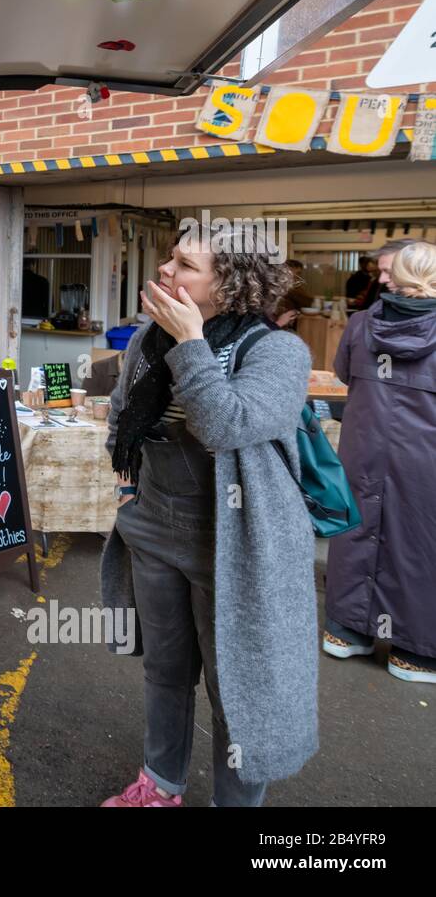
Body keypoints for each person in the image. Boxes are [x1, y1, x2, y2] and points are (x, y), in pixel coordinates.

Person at [100, 222, 315, 807]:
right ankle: (161, 785)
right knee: (165, 672)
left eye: (186, 265)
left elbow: (226, 426)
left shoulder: (277, 351)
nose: (166, 269)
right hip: (154, 529)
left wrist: (191, 343)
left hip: (235, 543)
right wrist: (130, 496)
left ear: (232, 283)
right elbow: (121, 417)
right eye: (170, 258)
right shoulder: (149, 337)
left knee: (236, 690)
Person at [323, 242, 436, 684]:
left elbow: (344, 374)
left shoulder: (361, 324)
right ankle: (415, 651)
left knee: (357, 528)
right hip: (425, 456)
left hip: (363, 444)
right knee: (420, 541)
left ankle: (347, 630)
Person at [271, 258, 315, 328]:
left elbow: (308, 302)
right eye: (297, 273)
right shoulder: (281, 287)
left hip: (291, 323)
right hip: (280, 326)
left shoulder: (295, 287)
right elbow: (308, 301)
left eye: (300, 273)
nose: (298, 277)